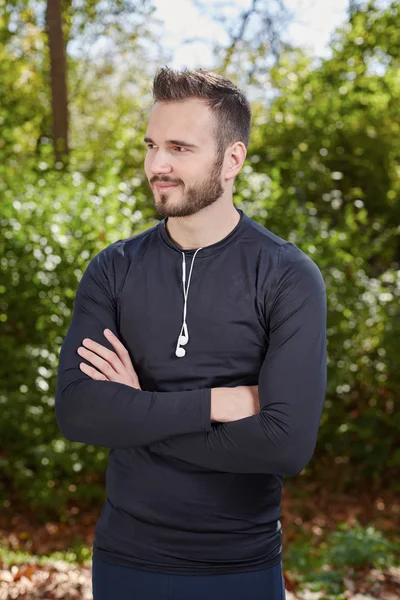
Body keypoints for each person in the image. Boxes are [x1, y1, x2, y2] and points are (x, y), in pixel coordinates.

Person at [55, 67, 327, 600]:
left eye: (179, 148)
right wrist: (216, 403)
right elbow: (79, 412)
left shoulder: (287, 275)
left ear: (232, 160)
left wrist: (138, 410)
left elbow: (286, 446)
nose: (157, 165)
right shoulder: (113, 268)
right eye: (152, 145)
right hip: (123, 562)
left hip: (239, 570)